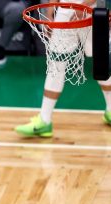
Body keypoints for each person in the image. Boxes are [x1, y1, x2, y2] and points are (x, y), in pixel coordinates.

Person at [15, 0, 111, 138]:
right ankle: (44, 120)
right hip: (65, 10)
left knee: (101, 63)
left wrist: (85, 5)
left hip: (90, 11)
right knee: (56, 64)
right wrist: (51, 10)